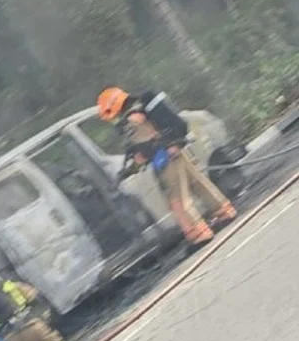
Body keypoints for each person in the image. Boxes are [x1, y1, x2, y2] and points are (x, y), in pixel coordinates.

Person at [97, 86, 237, 248]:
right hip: (176, 149)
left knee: (177, 200)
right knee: (198, 183)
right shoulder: (142, 107)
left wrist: (131, 168)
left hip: (165, 158)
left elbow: (144, 150)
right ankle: (224, 211)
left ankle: (198, 234)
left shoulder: (132, 121)